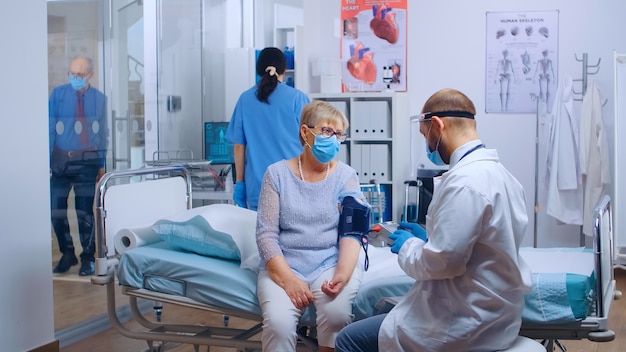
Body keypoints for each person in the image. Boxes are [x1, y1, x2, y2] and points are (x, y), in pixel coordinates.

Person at [335, 88, 532, 351]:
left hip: (463, 322)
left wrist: (407, 245)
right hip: (494, 313)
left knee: (348, 339)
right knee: (383, 310)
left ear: (438, 125)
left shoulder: (465, 183)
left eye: (425, 134)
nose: (427, 144)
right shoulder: (500, 175)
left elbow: (441, 263)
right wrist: (428, 238)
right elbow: (483, 244)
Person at [256, 100, 369, 352]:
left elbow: (352, 232)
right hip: (285, 263)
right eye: (327, 131)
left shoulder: (346, 176)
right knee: (278, 324)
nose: (334, 139)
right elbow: (266, 236)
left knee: (337, 315)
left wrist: (342, 274)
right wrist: (288, 280)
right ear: (305, 132)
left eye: (339, 134)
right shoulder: (276, 175)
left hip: (328, 263)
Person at [225, 47, 310, 211]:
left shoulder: (245, 99)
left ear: (258, 69)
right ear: (284, 70)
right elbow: (311, 143)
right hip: (294, 183)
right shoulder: (297, 98)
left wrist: (240, 184)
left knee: (262, 235)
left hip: (258, 185)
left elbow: (238, 147)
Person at [49, 55, 107, 276]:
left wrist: (101, 165)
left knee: (84, 213)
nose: (74, 77)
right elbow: (49, 129)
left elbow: (103, 135)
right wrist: (48, 161)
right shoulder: (58, 95)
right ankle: (67, 253)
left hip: (87, 162)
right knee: (56, 211)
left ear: (90, 75)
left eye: (79, 74)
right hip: (61, 161)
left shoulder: (99, 100)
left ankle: (87, 258)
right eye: (72, 73)